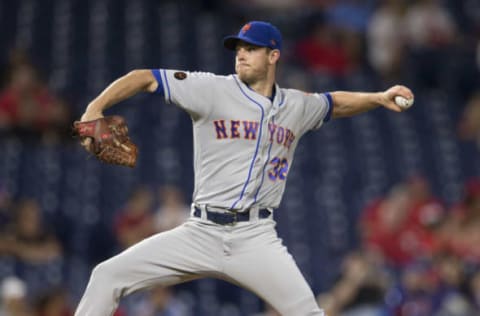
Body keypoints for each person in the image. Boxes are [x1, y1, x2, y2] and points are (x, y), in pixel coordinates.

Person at [74, 21, 414, 316]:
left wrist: (377, 97)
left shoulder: (295, 105)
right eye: (238, 47)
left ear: (273, 55)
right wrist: (95, 107)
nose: (241, 54)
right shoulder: (211, 89)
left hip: (256, 238)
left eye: (251, 49)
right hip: (200, 231)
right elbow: (143, 78)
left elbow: (333, 102)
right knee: (107, 276)